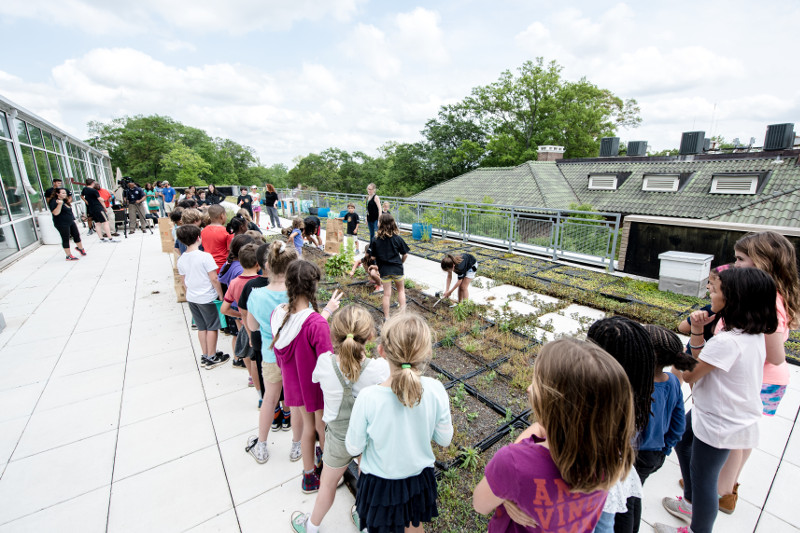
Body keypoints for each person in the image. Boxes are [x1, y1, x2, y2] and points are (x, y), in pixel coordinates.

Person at [655, 267, 780, 533]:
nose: (710, 291)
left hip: (720, 423)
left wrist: (675, 346)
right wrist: (698, 331)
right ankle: (690, 503)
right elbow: (703, 362)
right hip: (722, 413)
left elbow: (690, 374)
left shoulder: (727, 342)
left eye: (716, 289)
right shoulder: (751, 334)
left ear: (733, 298)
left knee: (705, 480)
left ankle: (697, 526)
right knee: (683, 439)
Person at [473, 338, 635, 533]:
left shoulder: (513, 463)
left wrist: (507, 493)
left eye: (537, 383)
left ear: (556, 404)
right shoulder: (610, 459)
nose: (529, 388)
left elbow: (480, 505)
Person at [713, 231, 800, 513]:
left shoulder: (767, 300)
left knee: (733, 440)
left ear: (763, 262)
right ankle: (727, 483)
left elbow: (775, 355)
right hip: (760, 380)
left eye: (740, 259)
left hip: (756, 380)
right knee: (743, 437)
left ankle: (719, 493)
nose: (735, 265)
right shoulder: (768, 293)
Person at [346, 312, 453, 533]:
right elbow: (444, 439)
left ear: (381, 351)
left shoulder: (368, 398)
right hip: (419, 479)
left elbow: (353, 447)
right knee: (414, 524)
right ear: (427, 352)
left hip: (379, 483)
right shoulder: (436, 389)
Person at [291, 305, 390, 533]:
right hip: (368, 438)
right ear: (370, 336)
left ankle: (311, 526)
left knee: (327, 485)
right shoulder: (379, 369)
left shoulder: (324, 363)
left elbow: (317, 379)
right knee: (367, 482)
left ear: (334, 335)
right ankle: (365, 523)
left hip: (337, 438)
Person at [270, 260, 343, 493]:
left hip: (294, 386)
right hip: (316, 387)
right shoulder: (316, 323)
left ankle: (308, 477)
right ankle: (329, 472)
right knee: (323, 427)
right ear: (313, 286)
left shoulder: (277, 314)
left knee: (306, 428)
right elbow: (327, 362)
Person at [587, 316, 656, 533]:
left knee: (603, 523)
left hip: (596, 485)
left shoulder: (598, 408)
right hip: (617, 473)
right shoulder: (638, 397)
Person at [246, 241, 302, 464]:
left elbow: (252, 327)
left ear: (266, 265)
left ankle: (261, 445)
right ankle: (297, 445)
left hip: (271, 357)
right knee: (295, 403)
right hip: (295, 358)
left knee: (269, 399)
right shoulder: (298, 294)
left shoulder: (256, 295)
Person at [637, 326, 693, 489]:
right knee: (636, 488)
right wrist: (665, 448)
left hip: (635, 455)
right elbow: (679, 424)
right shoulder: (673, 381)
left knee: (628, 496)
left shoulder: (637, 387)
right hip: (655, 454)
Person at [176, 225, 230, 370]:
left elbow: (183, 280)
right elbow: (214, 278)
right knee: (212, 326)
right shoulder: (205, 257)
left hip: (192, 297)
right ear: (198, 238)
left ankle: (205, 354)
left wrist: (189, 293)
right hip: (207, 297)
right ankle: (212, 357)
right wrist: (220, 294)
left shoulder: (181, 259)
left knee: (201, 327)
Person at [221, 243, 262, 393]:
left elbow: (224, 309)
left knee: (249, 354)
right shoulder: (261, 282)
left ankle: (252, 378)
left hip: (246, 325)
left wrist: (240, 315)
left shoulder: (234, 282)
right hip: (261, 325)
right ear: (258, 264)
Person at [367, 213, 410, 319]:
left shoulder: (375, 239)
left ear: (380, 224)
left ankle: (386, 318)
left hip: (384, 271)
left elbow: (372, 257)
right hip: (397, 269)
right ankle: (403, 316)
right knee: (401, 291)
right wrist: (401, 262)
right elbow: (405, 254)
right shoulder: (397, 238)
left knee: (386, 294)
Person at [678, 265, 728, 353]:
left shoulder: (709, 310)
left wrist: (696, 327)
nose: (707, 286)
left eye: (712, 285)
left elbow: (682, 328)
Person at [48, 188, 86, 261]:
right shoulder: (54, 201)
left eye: (65, 193)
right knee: (66, 238)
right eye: (62, 193)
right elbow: (55, 213)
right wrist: (59, 204)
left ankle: (81, 248)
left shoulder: (65, 200)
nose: (65, 194)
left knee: (76, 235)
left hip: (70, 221)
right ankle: (68, 256)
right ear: (57, 194)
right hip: (62, 223)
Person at [201, 205, 234, 269]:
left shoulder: (203, 231)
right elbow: (231, 251)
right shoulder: (227, 232)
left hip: (207, 266)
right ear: (222, 215)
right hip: (222, 266)